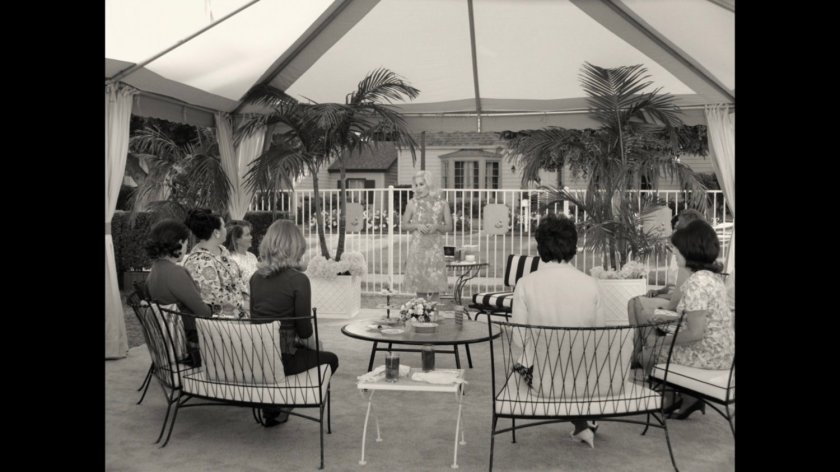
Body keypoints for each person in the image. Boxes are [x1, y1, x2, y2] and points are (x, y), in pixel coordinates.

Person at [511, 214, 605, 448]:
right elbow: (601, 336)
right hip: (587, 379)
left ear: (540, 247)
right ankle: (582, 424)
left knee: (524, 362)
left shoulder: (526, 284)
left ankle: (582, 425)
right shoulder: (591, 284)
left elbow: (519, 339)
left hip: (543, 382)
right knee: (566, 367)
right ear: (573, 247)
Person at [250, 219, 340, 427]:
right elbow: (305, 330)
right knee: (330, 358)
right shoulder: (298, 280)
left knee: (299, 350)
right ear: (295, 247)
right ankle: (284, 403)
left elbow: (255, 319)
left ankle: (273, 407)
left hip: (257, 355)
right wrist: (316, 345)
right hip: (282, 360)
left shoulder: (256, 277)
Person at [642, 219, 734, 419]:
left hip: (709, 356)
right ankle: (686, 397)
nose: (674, 253)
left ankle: (671, 397)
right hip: (722, 351)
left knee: (647, 353)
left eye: (677, 249)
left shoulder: (697, 283)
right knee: (654, 336)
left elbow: (695, 333)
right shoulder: (711, 277)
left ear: (690, 250)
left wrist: (659, 341)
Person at [627, 209, 706, 360]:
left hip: (678, 305)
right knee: (634, 302)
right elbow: (672, 285)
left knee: (637, 303)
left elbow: (678, 298)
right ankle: (639, 352)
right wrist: (658, 292)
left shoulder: (689, 255)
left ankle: (647, 352)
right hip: (674, 299)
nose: (674, 230)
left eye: (678, 227)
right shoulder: (680, 251)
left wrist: (663, 310)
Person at [144, 219, 212, 366]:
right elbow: (204, 312)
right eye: (187, 242)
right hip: (190, 347)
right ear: (178, 243)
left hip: (169, 341)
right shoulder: (175, 272)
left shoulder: (155, 270)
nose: (188, 246)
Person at [183, 209, 249, 318]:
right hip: (219, 324)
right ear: (216, 232)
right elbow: (214, 296)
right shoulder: (200, 261)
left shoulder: (223, 251)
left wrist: (247, 298)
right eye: (223, 226)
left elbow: (237, 280)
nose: (226, 230)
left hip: (240, 316)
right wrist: (243, 304)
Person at [401, 170, 454, 302]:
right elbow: (404, 225)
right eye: (416, 185)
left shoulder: (442, 203)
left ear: (429, 184)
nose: (418, 188)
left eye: (421, 184)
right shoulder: (412, 203)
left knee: (435, 285)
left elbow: (449, 227)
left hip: (434, 250)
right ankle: (421, 315)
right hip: (418, 249)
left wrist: (437, 227)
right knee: (420, 286)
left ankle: (433, 316)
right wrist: (417, 226)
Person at [225, 220, 259, 287]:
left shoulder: (252, 256)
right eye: (247, 235)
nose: (251, 237)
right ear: (236, 239)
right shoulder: (231, 260)